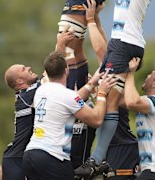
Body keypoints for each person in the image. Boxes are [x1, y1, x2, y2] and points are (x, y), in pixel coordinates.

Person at [75, 0, 155, 179]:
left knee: (110, 100)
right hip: (127, 43)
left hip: (126, 44)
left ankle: (97, 159)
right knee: (113, 100)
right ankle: (98, 159)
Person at [22, 52, 116, 180]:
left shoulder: (41, 91)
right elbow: (96, 119)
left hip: (30, 155)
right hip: (53, 157)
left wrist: (92, 82)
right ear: (66, 71)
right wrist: (102, 93)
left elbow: (71, 100)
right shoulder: (67, 96)